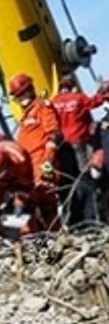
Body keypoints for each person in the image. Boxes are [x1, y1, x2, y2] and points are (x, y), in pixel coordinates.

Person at [51, 75, 108, 225]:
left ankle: (73, 219)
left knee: (68, 182)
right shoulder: (78, 98)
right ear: (73, 86)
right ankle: (89, 217)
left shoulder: (53, 103)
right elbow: (95, 102)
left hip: (62, 149)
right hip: (79, 145)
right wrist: (103, 90)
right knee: (86, 180)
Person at [9, 73, 61, 230]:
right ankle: (42, 236)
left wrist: (48, 161)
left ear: (30, 90)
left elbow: (53, 134)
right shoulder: (25, 116)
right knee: (41, 203)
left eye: (22, 94)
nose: (20, 99)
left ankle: (36, 236)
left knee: (33, 201)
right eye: (17, 96)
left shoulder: (42, 107)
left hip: (40, 163)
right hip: (27, 166)